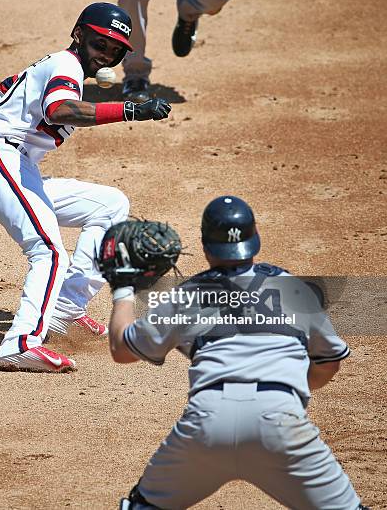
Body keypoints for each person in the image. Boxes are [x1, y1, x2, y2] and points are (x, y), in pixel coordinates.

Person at [0, 2, 171, 373]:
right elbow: (59, 111)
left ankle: (63, 309)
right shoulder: (66, 66)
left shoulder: (47, 68)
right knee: (50, 251)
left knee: (109, 206)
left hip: (10, 168)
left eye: (114, 51)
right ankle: (20, 344)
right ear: (79, 34)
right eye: (99, 44)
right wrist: (129, 110)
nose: (105, 56)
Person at [107, 196, 368, 509]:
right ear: (254, 240)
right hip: (281, 421)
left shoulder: (186, 296)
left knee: (146, 506)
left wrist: (121, 288)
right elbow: (330, 362)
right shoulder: (293, 288)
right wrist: (285, 389)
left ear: (205, 246)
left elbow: (122, 350)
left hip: (207, 422)